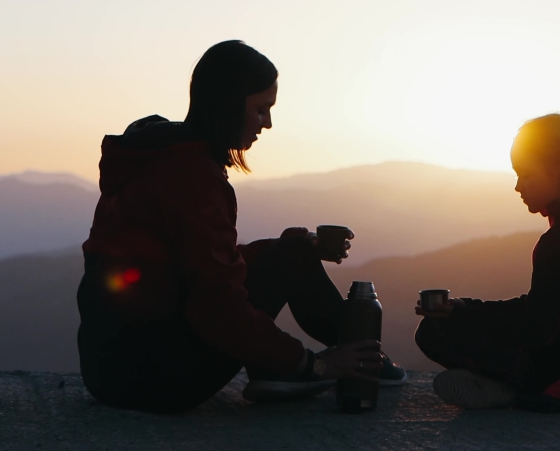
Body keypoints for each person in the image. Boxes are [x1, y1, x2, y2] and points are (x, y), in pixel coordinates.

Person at [77, 40, 406, 413]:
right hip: (157, 381)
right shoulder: (193, 177)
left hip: (110, 372)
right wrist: (311, 363)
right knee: (288, 258)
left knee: (293, 252)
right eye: (261, 109)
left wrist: (290, 249)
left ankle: (320, 364)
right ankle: (362, 362)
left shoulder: (162, 162)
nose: (267, 123)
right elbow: (217, 307)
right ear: (230, 104)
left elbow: (192, 267)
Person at [414, 111, 560, 409]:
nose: (518, 186)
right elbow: (540, 310)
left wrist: (462, 317)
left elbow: (533, 329)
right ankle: (503, 386)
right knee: (457, 323)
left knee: (432, 332)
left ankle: (510, 392)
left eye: (526, 175)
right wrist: (463, 308)